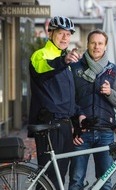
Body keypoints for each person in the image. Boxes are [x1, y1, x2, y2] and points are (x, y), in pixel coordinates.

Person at [28, 16, 81, 189]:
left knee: (59, 177)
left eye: (68, 34)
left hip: (63, 126)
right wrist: (63, 61)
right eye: (61, 33)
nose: (65, 38)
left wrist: (77, 118)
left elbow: (67, 97)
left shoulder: (65, 60)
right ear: (50, 33)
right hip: (48, 125)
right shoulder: (40, 56)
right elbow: (45, 68)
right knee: (49, 177)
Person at [68, 29, 116, 190]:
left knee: (105, 182)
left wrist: (110, 93)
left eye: (100, 43)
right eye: (93, 43)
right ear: (87, 44)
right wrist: (75, 125)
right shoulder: (75, 68)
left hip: (106, 132)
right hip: (82, 133)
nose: (96, 46)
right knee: (76, 180)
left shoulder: (112, 70)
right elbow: (69, 100)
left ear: (105, 46)